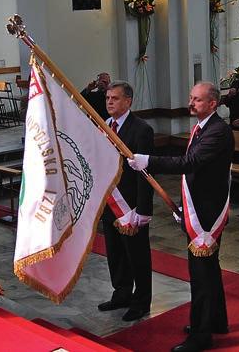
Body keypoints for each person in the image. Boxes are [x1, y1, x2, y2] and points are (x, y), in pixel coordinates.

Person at [129, 82, 233, 352]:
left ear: (213, 103)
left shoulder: (217, 131)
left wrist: (148, 161)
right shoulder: (201, 128)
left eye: (197, 100)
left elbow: (190, 163)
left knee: (200, 274)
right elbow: (195, 173)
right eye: (190, 98)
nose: (191, 103)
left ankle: (201, 335)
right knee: (209, 270)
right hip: (198, 205)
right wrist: (182, 203)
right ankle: (215, 321)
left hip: (207, 214)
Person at [98, 81, 153, 322]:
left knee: (137, 256)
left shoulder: (141, 129)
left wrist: (143, 209)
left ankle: (141, 301)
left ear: (128, 101)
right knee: (115, 252)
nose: (110, 101)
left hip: (131, 205)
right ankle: (121, 293)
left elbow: (146, 174)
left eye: (115, 98)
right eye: (108, 98)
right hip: (110, 203)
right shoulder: (103, 126)